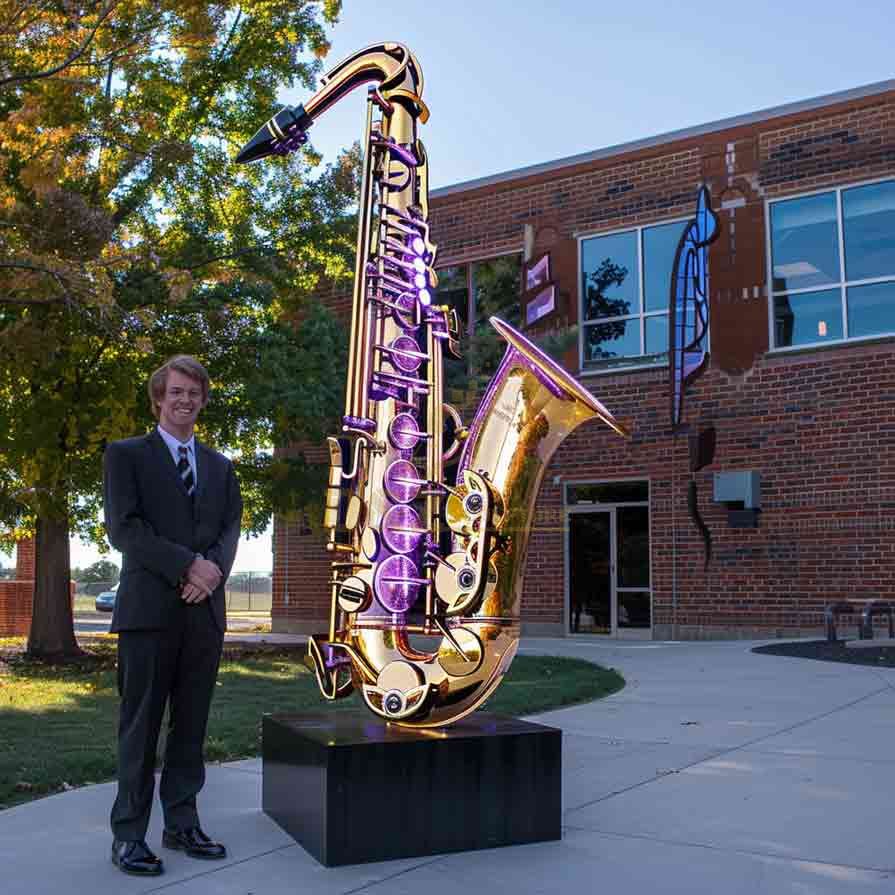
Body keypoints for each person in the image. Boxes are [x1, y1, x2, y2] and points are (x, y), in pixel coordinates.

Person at [103, 355, 242, 877]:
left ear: (202, 401)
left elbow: (229, 530)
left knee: (191, 726)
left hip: (204, 615)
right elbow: (125, 529)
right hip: (148, 613)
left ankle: (182, 824)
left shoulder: (221, 467)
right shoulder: (125, 456)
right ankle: (128, 836)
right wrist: (187, 566)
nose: (185, 400)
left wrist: (210, 575)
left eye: (194, 393)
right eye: (176, 392)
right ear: (159, 398)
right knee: (139, 727)